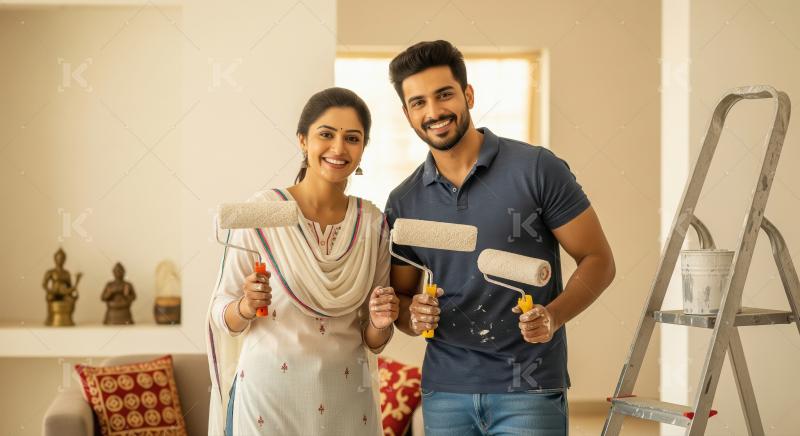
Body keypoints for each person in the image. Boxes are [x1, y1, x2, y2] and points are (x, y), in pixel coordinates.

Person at [386, 40, 616, 435]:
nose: (435, 112)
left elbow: (599, 260)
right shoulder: (404, 201)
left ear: (468, 95)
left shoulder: (536, 169)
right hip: (445, 392)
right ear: (407, 114)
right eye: (419, 103)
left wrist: (553, 316)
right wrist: (413, 315)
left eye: (444, 95)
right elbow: (403, 304)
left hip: (528, 389)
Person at [206, 87, 399, 435]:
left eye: (352, 138)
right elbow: (221, 314)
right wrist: (247, 306)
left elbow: (373, 339)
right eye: (326, 134)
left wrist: (382, 321)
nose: (338, 149)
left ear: (362, 148)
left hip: (347, 401)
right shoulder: (263, 213)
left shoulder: (372, 224)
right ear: (302, 140)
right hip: (268, 400)